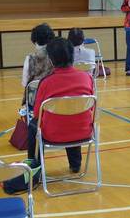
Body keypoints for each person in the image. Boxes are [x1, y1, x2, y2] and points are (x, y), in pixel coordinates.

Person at [26, 38, 95, 173]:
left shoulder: (46, 82)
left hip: (53, 134)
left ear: (51, 60)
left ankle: (35, 169)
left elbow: (37, 114)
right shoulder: (87, 78)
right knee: (74, 115)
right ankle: (75, 164)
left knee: (33, 125)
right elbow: (90, 107)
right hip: (83, 131)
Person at [21, 23, 56, 105]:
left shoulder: (29, 59)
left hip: (35, 100)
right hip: (54, 97)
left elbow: (25, 83)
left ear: (35, 40)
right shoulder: (56, 56)